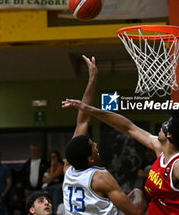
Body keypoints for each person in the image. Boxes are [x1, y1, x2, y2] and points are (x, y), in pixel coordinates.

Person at [62, 102, 179, 215]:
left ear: (170, 135)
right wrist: (90, 110)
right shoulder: (160, 150)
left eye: (167, 124)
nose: (162, 125)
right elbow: (128, 127)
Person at [61, 55, 147, 215]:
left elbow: (83, 121)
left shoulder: (69, 169)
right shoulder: (100, 178)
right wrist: (138, 194)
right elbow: (135, 213)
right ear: (90, 159)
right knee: (137, 194)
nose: (96, 146)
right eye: (93, 146)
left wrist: (92, 78)